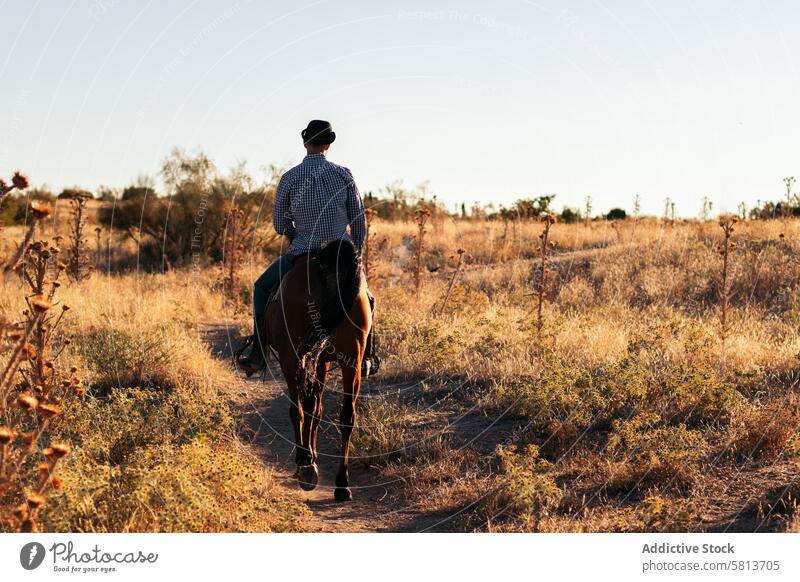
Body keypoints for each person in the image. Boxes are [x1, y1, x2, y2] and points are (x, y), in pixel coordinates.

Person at [238, 119, 379, 376]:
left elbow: (280, 224)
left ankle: (258, 353)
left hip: (301, 254)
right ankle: (367, 355)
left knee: (260, 289)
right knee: (367, 297)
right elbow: (359, 221)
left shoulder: (290, 177)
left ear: (305, 143)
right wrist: (354, 255)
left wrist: (299, 234)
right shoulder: (343, 174)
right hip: (339, 256)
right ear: (329, 144)